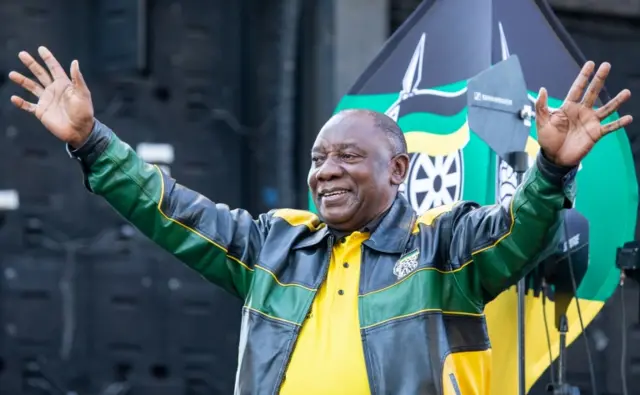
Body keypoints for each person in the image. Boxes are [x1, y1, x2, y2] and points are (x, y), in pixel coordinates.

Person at [8, 46, 632, 395]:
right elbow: (169, 208)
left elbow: (521, 230)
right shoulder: (274, 247)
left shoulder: (443, 248)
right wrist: (93, 143)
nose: (326, 170)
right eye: (318, 158)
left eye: (349, 157)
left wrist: (550, 168)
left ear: (397, 171)